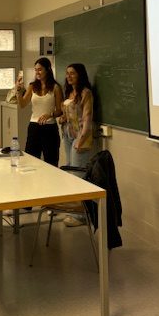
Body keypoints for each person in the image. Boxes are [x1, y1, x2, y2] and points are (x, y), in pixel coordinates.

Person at [58, 63, 94, 227]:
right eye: (67, 73)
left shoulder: (86, 93)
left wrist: (81, 139)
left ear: (80, 75)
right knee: (71, 172)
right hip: (67, 135)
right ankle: (74, 210)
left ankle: (81, 216)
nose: (69, 76)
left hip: (80, 137)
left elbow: (87, 119)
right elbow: (68, 114)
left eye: (72, 73)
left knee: (79, 175)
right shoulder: (69, 93)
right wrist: (63, 118)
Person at [16, 57, 63, 167]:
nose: (37, 72)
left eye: (40, 69)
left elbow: (60, 111)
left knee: (51, 162)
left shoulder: (55, 87)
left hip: (50, 128)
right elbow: (22, 104)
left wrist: (50, 115)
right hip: (34, 127)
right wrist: (18, 91)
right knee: (31, 161)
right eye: (36, 70)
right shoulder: (32, 86)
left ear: (48, 70)